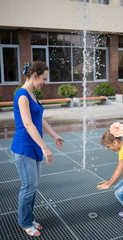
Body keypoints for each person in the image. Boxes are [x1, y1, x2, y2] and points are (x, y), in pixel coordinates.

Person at [11, 61, 64, 237]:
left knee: (32, 187)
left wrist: (54, 135)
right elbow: (27, 124)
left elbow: (40, 119)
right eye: (44, 78)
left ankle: (29, 218)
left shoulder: (33, 95)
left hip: (33, 146)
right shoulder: (22, 95)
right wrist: (45, 147)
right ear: (34, 76)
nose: (45, 82)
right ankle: (25, 223)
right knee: (28, 187)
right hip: (24, 147)